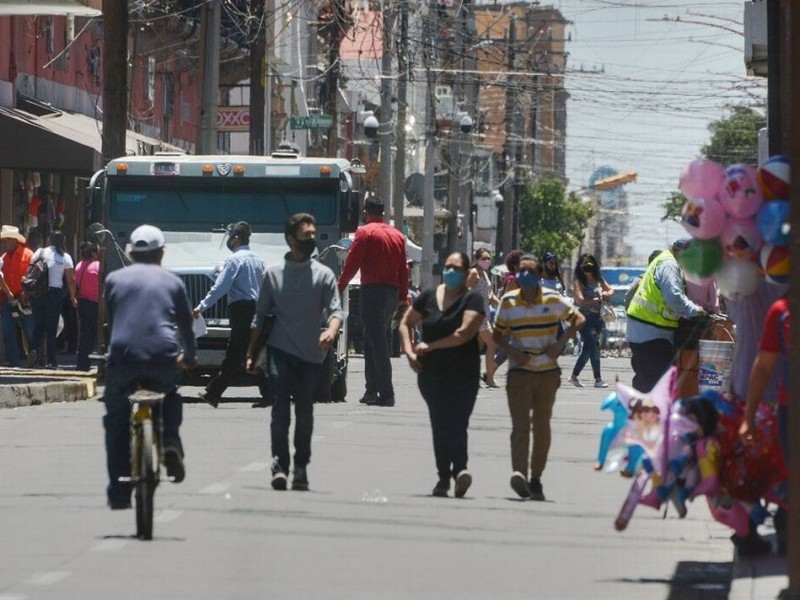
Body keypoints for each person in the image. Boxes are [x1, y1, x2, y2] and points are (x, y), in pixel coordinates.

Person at [246, 213, 343, 491]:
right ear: (291, 240)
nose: (312, 240)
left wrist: (331, 331)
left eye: (314, 235)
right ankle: (280, 464)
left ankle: (300, 466)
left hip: (310, 355)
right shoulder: (272, 274)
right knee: (280, 411)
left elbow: (337, 311)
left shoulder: (324, 275)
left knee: (305, 413)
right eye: (306, 236)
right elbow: (259, 316)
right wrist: (251, 352)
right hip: (279, 352)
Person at [103, 225, 196, 509]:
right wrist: (189, 356)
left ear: (130, 254)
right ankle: (169, 440)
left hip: (123, 359)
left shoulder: (113, 279)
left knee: (116, 421)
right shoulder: (173, 282)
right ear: (161, 254)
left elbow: (112, 321)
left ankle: (119, 493)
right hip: (162, 357)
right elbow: (186, 326)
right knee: (170, 395)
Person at [492, 254, 585, 501]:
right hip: (519, 373)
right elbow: (498, 335)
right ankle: (519, 475)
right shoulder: (509, 302)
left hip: (547, 373)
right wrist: (512, 352)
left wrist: (559, 345)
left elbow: (579, 319)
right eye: (521, 271)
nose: (525, 276)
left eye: (531, 272)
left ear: (539, 274)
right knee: (520, 427)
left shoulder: (553, 300)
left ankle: (536, 479)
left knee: (542, 427)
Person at [399, 252, 485, 498]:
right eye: (447, 267)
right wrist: (409, 352)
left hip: (463, 374)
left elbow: (464, 334)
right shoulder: (427, 297)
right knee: (439, 422)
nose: (450, 272)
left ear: (467, 272)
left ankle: (459, 471)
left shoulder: (472, 300)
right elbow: (405, 323)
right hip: (431, 374)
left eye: (456, 268)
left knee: (458, 422)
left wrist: (431, 346)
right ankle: (444, 477)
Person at [338, 197, 408, 407]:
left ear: (366, 212)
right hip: (391, 294)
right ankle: (371, 390)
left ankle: (386, 393)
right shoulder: (397, 235)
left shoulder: (365, 232)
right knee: (374, 340)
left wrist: (340, 285)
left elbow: (352, 263)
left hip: (373, 293)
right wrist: (403, 298)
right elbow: (403, 269)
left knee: (378, 345)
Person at [194, 221, 269, 408]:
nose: (229, 240)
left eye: (230, 237)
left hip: (242, 310)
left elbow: (221, 286)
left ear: (236, 238)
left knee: (235, 352)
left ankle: (213, 392)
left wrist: (201, 306)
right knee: (254, 350)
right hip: (259, 309)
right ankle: (269, 395)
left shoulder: (235, 260)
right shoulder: (259, 260)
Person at [739, 294, 790, 555]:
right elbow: (763, 366)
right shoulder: (781, 311)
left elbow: (763, 366)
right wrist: (747, 417)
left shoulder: (780, 310)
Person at [626, 242, 705, 393]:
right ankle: (647, 414)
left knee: (645, 381)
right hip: (651, 333)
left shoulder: (663, 260)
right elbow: (674, 298)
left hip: (645, 331)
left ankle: (640, 413)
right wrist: (695, 310)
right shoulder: (669, 265)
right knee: (655, 384)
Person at [29, 230, 77, 368]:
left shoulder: (40, 252)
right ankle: (51, 360)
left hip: (38, 294)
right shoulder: (65, 257)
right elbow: (71, 280)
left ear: (49, 240)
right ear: (63, 241)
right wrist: (73, 297)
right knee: (51, 328)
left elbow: (30, 271)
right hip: (54, 294)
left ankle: (34, 350)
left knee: (38, 326)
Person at [570, 254, 612, 388]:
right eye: (585, 265)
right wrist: (596, 299)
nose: (588, 268)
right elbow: (580, 301)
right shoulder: (579, 282)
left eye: (590, 264)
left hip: (597, 319)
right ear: (580, 267)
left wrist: (607, 293)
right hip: (584, 319)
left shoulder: (598, 279)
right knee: (594, 347)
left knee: (588, 350)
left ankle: (574, 376)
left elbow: (611, 289)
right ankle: (598, 379)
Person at [0, 226, 34, 367]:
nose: (4, 245)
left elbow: (33, 276)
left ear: (14, 241)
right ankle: (13, 359)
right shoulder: (3, 258)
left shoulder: (29, 255)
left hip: (24, 297)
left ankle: (35, 356)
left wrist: (25, 293)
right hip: (8, 298)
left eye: (6, 241)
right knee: (8, 328)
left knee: (29, 329)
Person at [466, 248, 500, 387]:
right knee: (493, 344)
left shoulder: (485, 274)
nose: (487, 261)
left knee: (477, 347)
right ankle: (490, 377)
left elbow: (490, 296)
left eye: (489, 258)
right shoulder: (474, 272)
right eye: (484, 258)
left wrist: (502, 306)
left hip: (485, 314)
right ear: (477, 259)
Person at [74, 241, 100, 371]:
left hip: (82, 303)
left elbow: (76, 285)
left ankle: (82, 364)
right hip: (95, 305)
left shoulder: (79, 266)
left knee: (85, 335)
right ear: (94, 253)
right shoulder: (98, 266)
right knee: (99, 335)